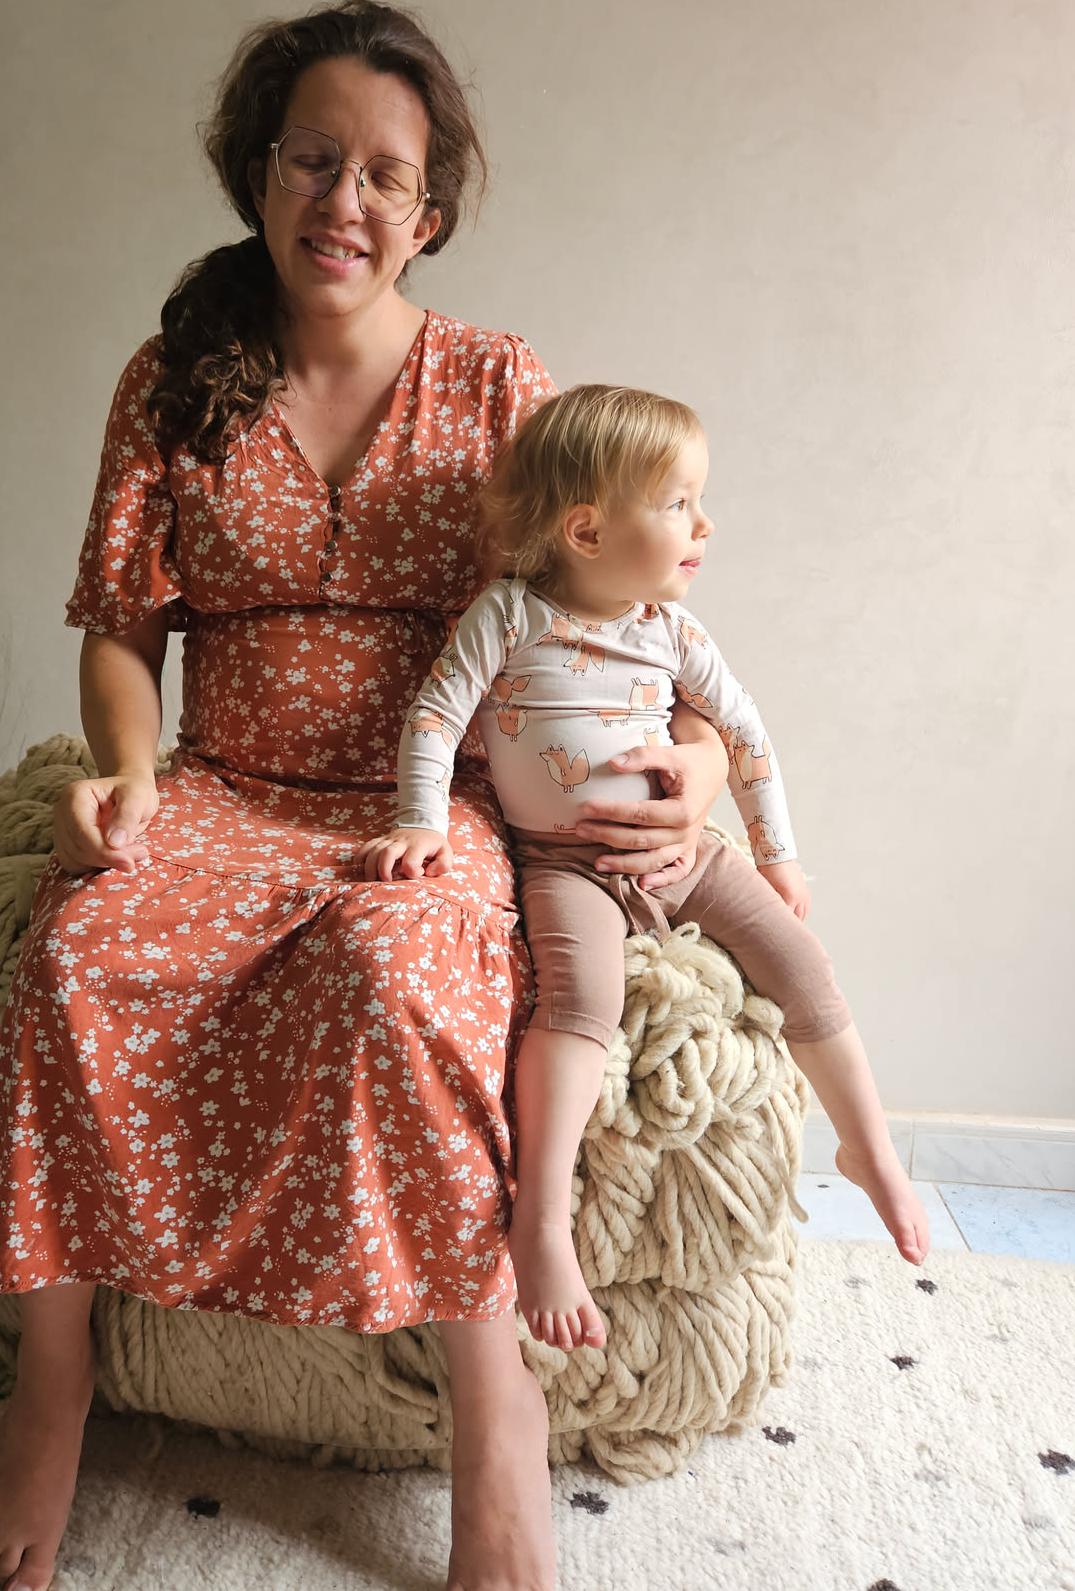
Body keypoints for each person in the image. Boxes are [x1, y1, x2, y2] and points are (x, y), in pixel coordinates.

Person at [0, 0, 732, 1591]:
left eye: (387, 175)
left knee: (400, 980)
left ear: (428, 212)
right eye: (315, 159)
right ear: (260, 172)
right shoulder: (173, 379)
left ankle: (493, 1400)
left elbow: (616, 597)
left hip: (426, 802)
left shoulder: (498, 380)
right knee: (76, 957)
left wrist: (704, 761)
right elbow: (121, 626)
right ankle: (53, 1374)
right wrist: (128, 778)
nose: (346, 201)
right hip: (224, 790)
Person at [363, 383, 930, 1353]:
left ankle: (868, 1147)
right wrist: (421, 822)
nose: (705, 523)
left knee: (803, 965)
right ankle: (542, 1224)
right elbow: (435, 716)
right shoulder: (509, 616)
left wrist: (777, 855)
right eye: (678, 503)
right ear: (586, 531)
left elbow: (745, 737)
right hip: (565, 865)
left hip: (684, 854)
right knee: (577, 1003)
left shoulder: (670, 629)